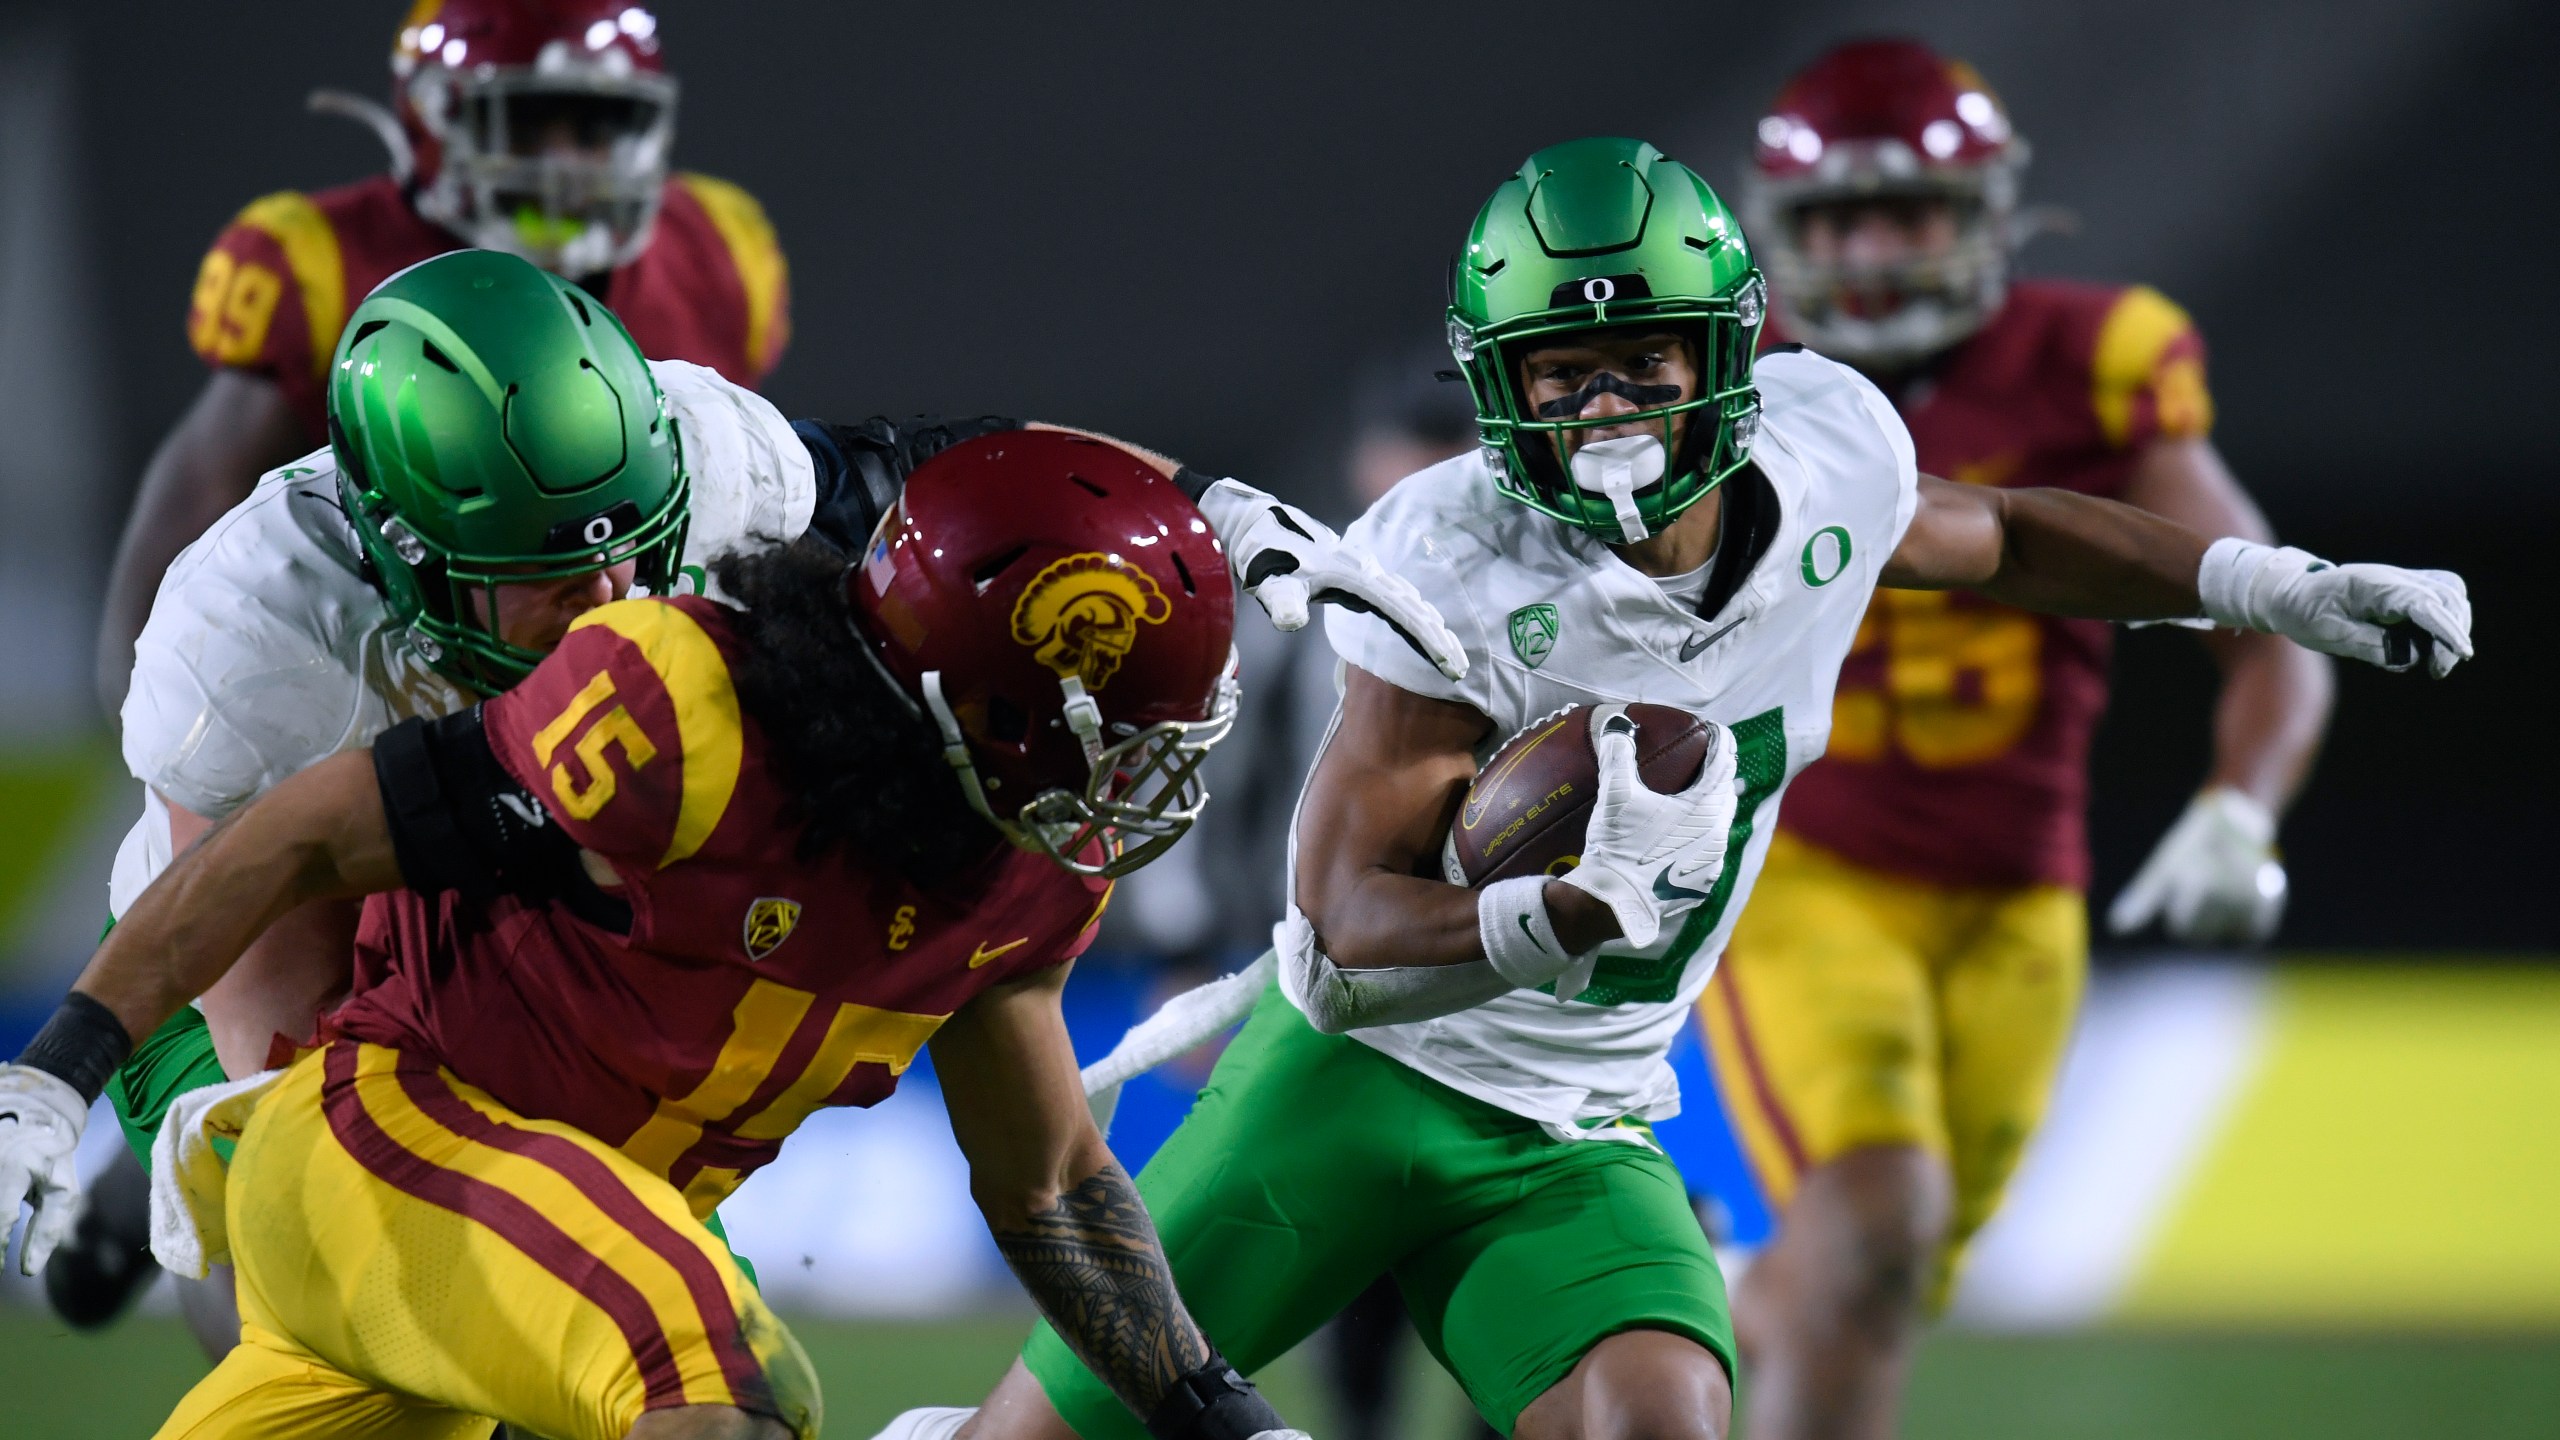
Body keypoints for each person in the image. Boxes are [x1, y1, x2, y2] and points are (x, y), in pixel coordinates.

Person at [871, 136, 2470, 1440]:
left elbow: (2008, 537)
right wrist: (1549, 911)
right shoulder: (1450, 558)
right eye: (1560, 374)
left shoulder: (1835, 452)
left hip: (1582, 1117)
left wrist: (2275, 588)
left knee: (1663, 1423)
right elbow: (1343, 928)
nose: (1607, 411)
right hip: (1351, 1092)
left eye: (1641, 360)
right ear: (1498, 387)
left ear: (1732, 355)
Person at [32, 249, 1460, 1361]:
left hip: (514, 860)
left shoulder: (708, 455)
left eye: (634, 555)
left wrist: (1213, 499)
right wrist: (63, 1074)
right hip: (248, 916)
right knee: (299, 1270)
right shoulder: (245, 643)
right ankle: (140, 1192)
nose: (612, 608)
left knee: (652, 1319)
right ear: (408, 557)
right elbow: (266, 916)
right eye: (554, 575)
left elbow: (959, 466)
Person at [1704, 40, 2336, 1439]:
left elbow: (2263, 616)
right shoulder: (1723, 384)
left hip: (2016, 895)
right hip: (1800, 872)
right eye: (1836, 219)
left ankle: (1718, 1311)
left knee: (1883, 1271)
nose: (1871, 249)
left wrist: (2243, 805)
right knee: (1877, 1216)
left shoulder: (2090, 361)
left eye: (1907, 213)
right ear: (1777, 231)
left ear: (1985, 212)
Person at [95, 0, 791, 720]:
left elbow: (738, 506)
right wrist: (153, 726)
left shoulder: (716, 254)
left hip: (643, 667)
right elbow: (193, 524)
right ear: (433, 120)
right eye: (523, 123)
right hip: (395, 688)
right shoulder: (327, 268)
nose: (565, 167)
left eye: (593, 125)